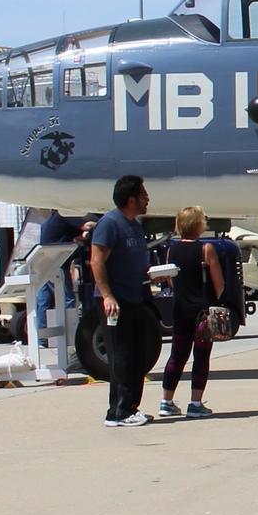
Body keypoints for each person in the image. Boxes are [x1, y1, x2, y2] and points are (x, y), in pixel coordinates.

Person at [89, 175, 153, 427]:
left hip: (137, 296)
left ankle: (126, 409)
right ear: (131, 199)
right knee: (122, 355)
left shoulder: (135, 225)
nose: (147, 199)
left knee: (138, 354)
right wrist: (107, 295)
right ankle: (120, 411)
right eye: (143, 195)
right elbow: (97, 261)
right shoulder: (109, 224)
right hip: (116, 301)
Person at [158, 206, 225, 419]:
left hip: (180, 308)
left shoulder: (172, 249)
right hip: (201, 311)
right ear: (199, 225)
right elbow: (219, 283)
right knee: (201, 355)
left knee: (177, 355)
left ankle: (166, 401)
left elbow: (170, 278)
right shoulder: (206, 249)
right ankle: (195, 402)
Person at [34, 211, 94, 349]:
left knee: (44, 300)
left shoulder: (50, 221)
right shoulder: (65, 216)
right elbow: (87, 227)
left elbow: (73, 235)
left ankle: (42, 339)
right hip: (57, 263)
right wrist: (102, 223)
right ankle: (71, 335)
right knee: (69, 299)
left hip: (44, 262)